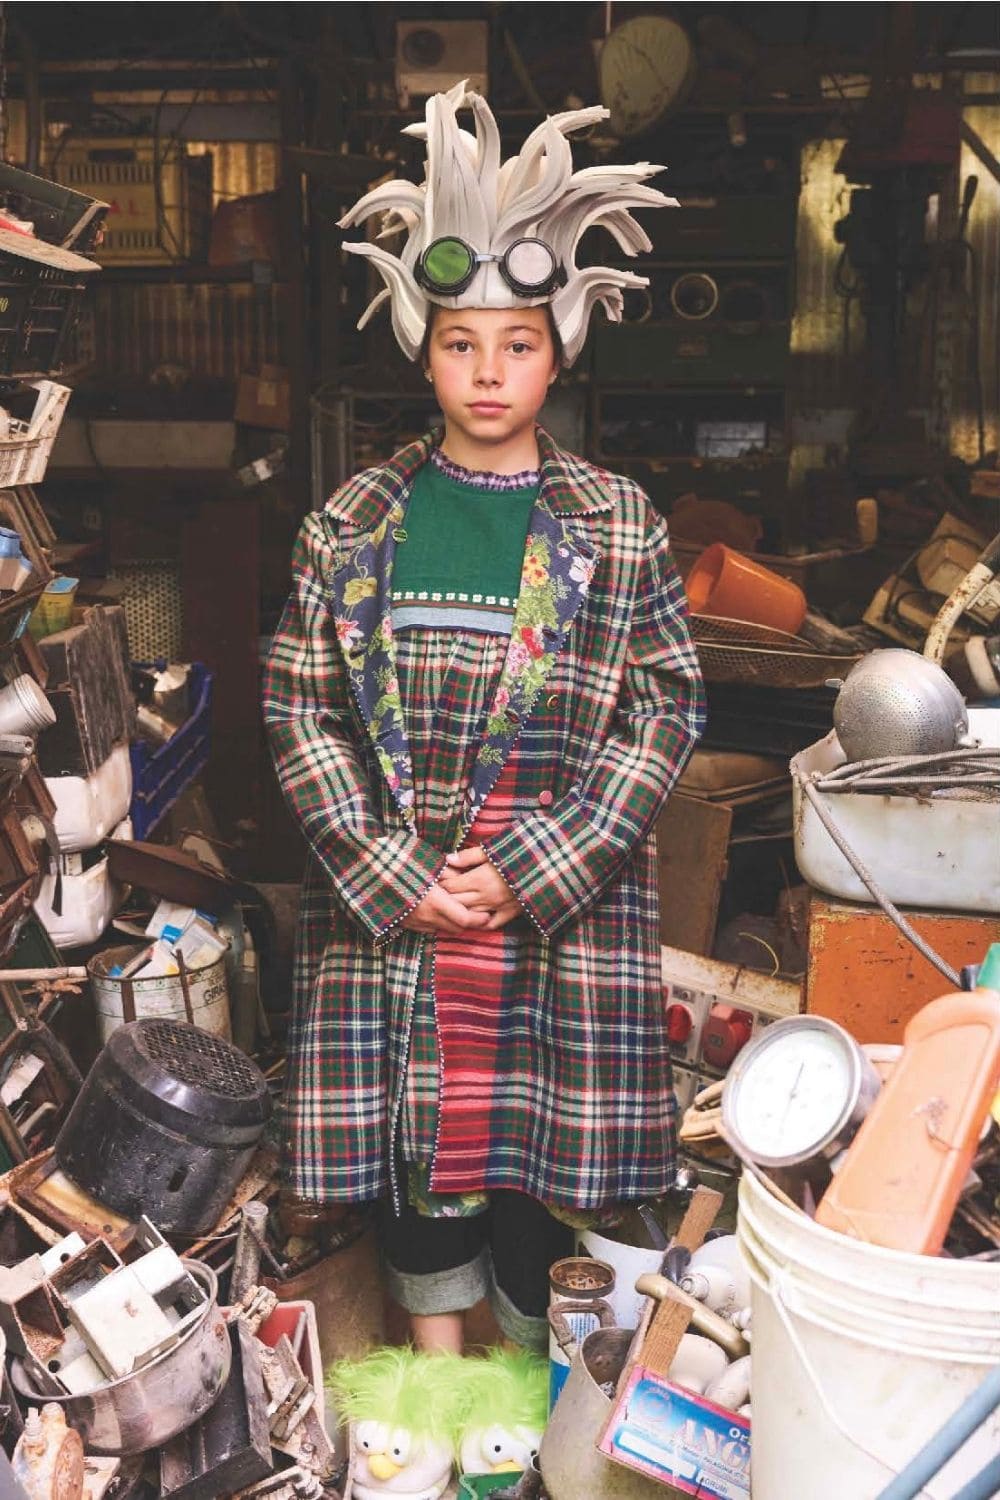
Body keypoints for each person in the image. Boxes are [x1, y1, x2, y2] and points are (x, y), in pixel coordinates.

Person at [263, 83, 705, 1357]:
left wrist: (529, 867)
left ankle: (516, 1416)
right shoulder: (350, 522)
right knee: (418, 1154)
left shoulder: (617, 523)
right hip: (398, 910)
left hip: (549, 910)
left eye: (516, 345)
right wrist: (395, 875)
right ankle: (434, 1417)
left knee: (531, 1169)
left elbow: (664, 705)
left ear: (558, 352)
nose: (489, 372)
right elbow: (299, 707)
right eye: (462, 343)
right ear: (423, 351)